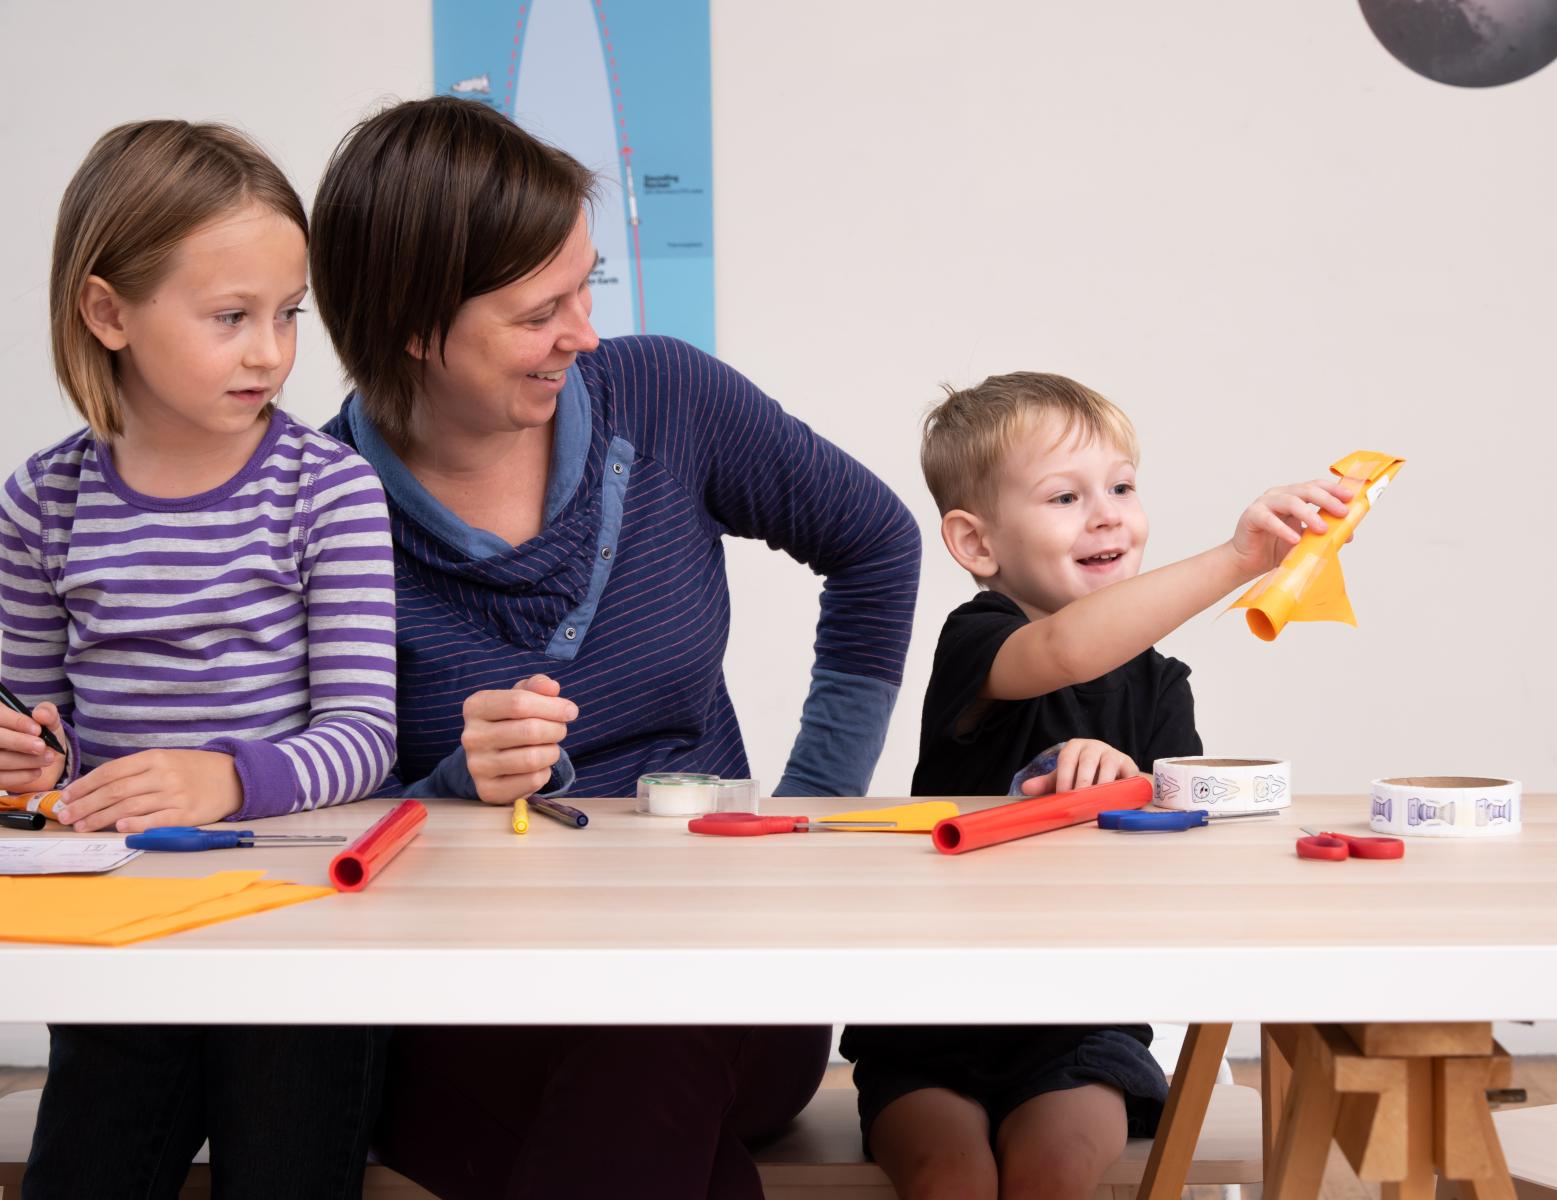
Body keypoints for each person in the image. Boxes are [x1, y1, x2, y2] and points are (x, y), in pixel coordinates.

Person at [307, 95, 921, 1198]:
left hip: (717, 972)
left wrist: (809, 808)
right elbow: (292, 820)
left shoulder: (664, 395)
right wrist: (447, 786)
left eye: (586, 289)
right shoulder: (313, 506)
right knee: (652, 1124)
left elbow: (875, 543)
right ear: (411, 323)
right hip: (466, 998)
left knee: (653, 1040)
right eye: (540, 310)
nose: (582, 334)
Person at [5, 120, 397, 1199]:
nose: (269, 351)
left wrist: (224, 774)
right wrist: (27, 766)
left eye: (286, 316)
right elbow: (41, 733)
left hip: (296, 941)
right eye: (230, 318)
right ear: (107, 312)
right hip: (123, 943)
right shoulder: (43, 502)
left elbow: (366, 736)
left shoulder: (327, 491)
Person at [843, 372, 1353, 1199]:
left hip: (1078, 1025)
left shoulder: (1162, 687)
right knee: (951, 1178)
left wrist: (1132, 789)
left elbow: (1189, 846)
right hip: (935, 1015)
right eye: (1065, 497)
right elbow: (1069, 651)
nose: (1108, 512)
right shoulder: (977, 642)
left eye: (1120, 486)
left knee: (1056, 1173)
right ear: (978, 545)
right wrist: (1238, 559)